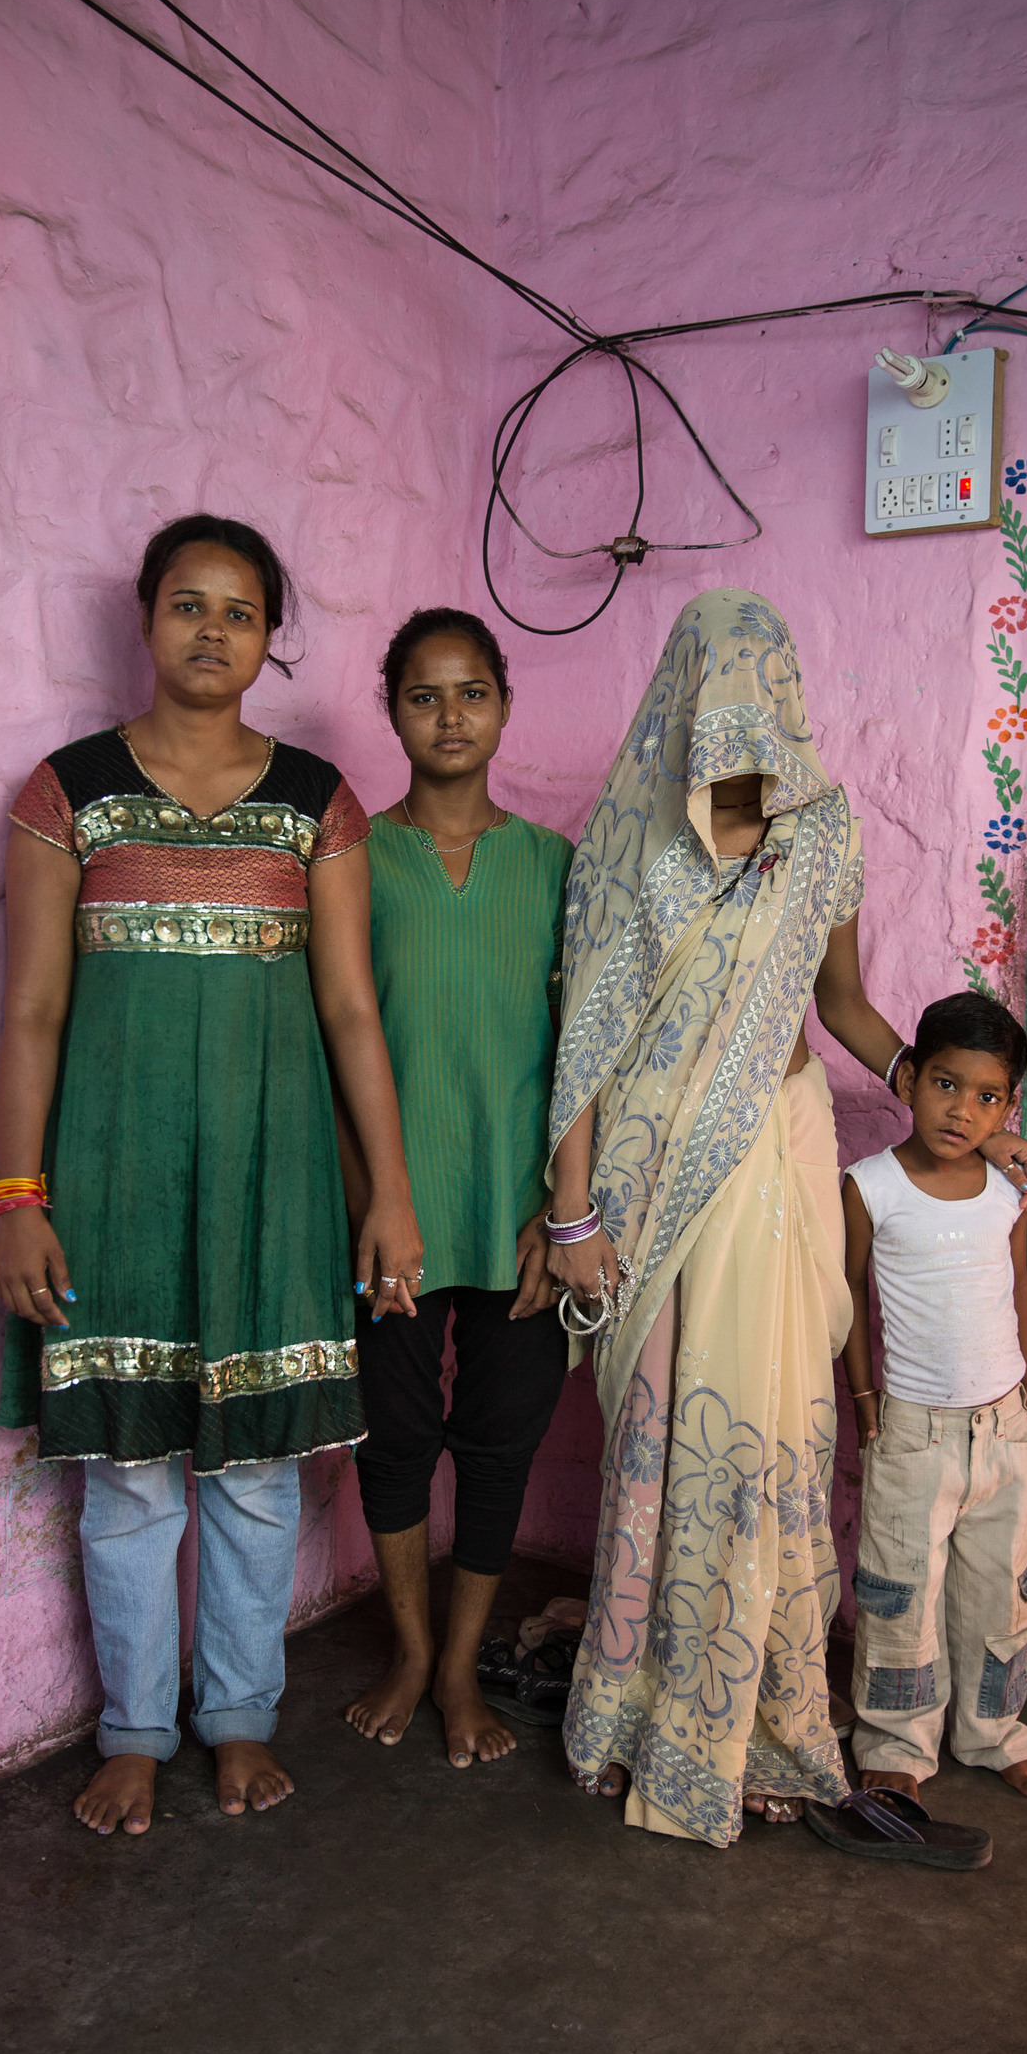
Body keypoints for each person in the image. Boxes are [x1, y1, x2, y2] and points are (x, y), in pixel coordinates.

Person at [547, 589, 1027, 1847]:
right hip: (653, 1176)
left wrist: (948, 1102)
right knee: (664, 1437)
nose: (742, 706)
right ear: (686, 688)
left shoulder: (824, 840)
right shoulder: (633, 837)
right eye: (721, 677)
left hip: (775, 1154)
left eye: (765, 678)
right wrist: (568, 1216)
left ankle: (760, 1715)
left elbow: (846, 1004)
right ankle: (640, 1708)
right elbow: (587, 1041)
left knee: (768, 1434)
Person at [0, 513, 421, 1836]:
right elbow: (31, 1014)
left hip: (271, 1184)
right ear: (147, 615)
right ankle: (131, 1730)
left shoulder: (315, 804)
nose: (213, 630)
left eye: (240, 611)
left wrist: (387, 1191)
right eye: (191, 604)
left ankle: (236, 1720)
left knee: (252, 1471)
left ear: (266, 639)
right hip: (111, 1183)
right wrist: (20, 1199)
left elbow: (352, 1012)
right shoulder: (65, 792)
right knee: (126, 1474)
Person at [341, 608, 573, 1768]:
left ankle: (459, 1663)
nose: (448, 715)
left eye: (470, 692)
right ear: (392, 710)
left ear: (503, 706)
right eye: (424, 695)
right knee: (391, 1437)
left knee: (497, 1442)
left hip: (523, 1215)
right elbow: (335, 1037)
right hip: (393, 1211)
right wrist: (371, 1198)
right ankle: (409, 1649)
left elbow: (585, 1050)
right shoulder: (353, 861)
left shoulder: (554, 868)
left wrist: (563, 1209)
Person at [841, 991, 1027, 1803]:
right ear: (912, 1079)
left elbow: (1015, 1285)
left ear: (1008, 1104)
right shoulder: (870, 1186)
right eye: (945, 1084)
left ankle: (994, 1731)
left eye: (987, 1096)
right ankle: (896, 1740)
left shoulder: (1011, 1186)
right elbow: (849, 1293)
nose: (963, 1110)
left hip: (1002, 1427)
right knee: (900, 1596)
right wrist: (865, 1394)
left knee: (1001, 1592)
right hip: (914, 1431)